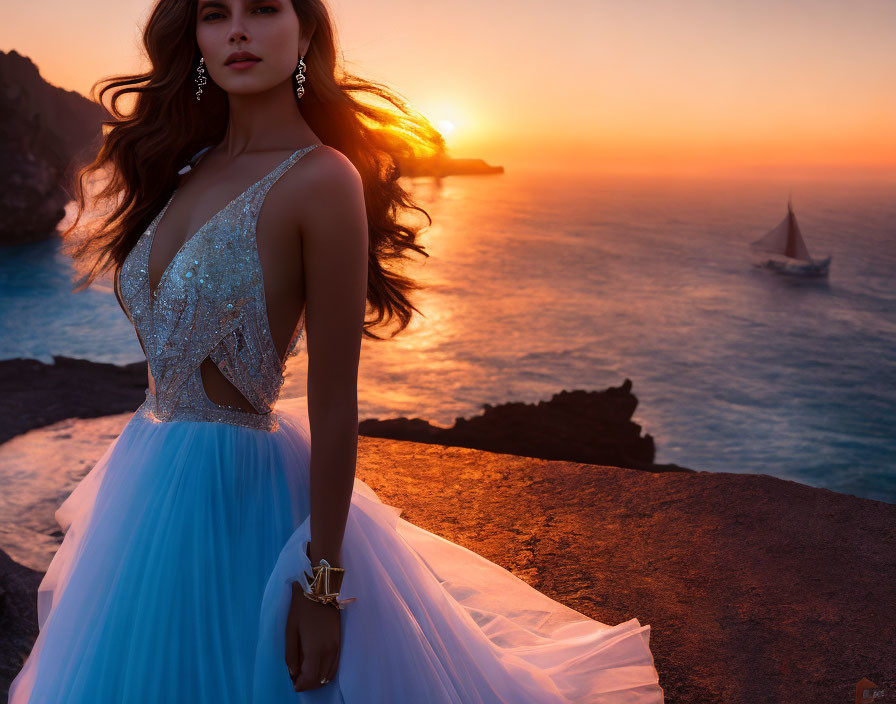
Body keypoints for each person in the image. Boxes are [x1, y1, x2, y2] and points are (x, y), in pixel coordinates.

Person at [8, 0, 665, 701]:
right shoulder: (183, 168)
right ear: (192, 34)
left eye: (262, 9)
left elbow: (334, 400)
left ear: (307, 31)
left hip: (239, 488)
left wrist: (323, 589)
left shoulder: (322, 178)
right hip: (146, 468)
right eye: (213, 13)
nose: (236, 29)